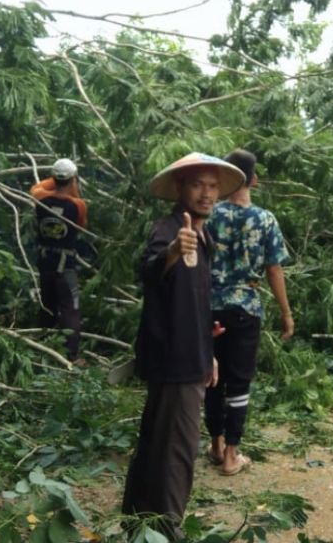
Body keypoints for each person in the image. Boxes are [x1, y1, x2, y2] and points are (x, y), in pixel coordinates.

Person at [121, 152, 245, 540]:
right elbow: (149, 269)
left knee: (158, 442)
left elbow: (194, 301)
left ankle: (137, 523)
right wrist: (174, 249)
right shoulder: (172, 228)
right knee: (177, 451)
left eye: (212, 186)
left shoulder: (202, 235)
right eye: (197, 185)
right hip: (173, 359)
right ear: (180, 188)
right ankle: (167, 530)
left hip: (187, 354)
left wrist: (208, 349)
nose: (207, 194)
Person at [204, 149, 293, 477]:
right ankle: (232, 455)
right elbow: (274, 269)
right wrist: (286, 313)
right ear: (253, 179)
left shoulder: (210, 215)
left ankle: (215, 444)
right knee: (239, 381)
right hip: (246, 309)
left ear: (228, 177)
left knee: (212, 378)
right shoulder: (264, 219)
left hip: (209, 307)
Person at [30, 157, 89, 363]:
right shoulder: (78, 206)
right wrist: (73, 186)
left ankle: (42, 348)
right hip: (66, 266)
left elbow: (38, 187)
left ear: (53, 179)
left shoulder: (39, 198)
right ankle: (70, 357)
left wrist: (58, 178)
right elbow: (82, 226)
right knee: (70, 310)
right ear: (74, 180)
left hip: (45, 263)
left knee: (47, 305)